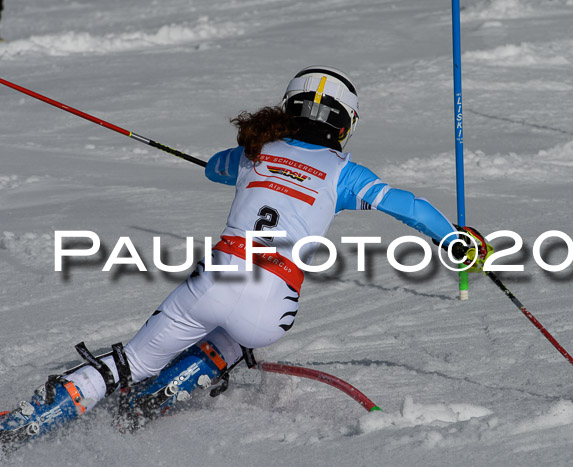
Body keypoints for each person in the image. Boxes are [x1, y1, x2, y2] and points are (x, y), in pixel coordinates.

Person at [0, 66, 490, 445]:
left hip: (215, 282)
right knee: (238, 333)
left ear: (287, 109)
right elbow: (409, 206)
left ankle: (29, 422)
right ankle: (178, 383)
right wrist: (453, 240)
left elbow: (215, 169)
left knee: (128, 362)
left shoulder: (257, 151)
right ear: (346, 125)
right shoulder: (346, 173)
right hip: (273, 311)